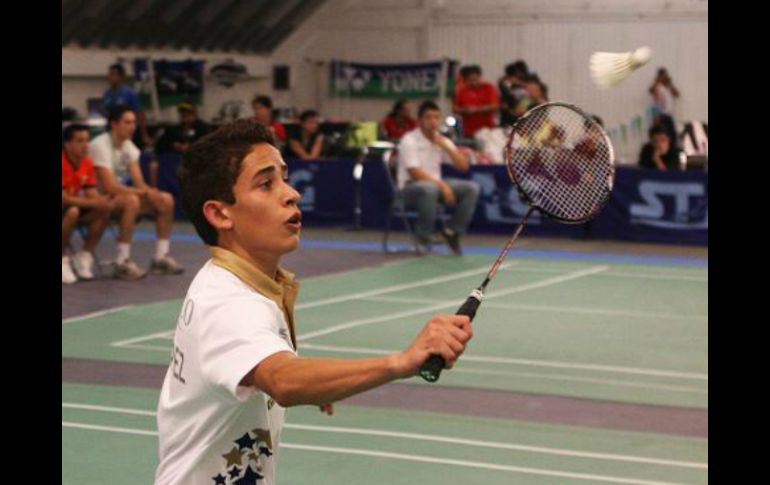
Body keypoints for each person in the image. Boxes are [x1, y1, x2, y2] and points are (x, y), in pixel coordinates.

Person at [154, 120, 473, 484]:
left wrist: (317, 380)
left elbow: (273, 367)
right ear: (220, 213)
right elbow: (283, 380)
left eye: (284, 178)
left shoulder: (238, 281)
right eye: (265, 183)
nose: (291, 194)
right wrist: (402, 362)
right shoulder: (229, 302)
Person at [90, 105, 184, 278]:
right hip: (98, 198)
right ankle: (122, 261)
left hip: (119, 195)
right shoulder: (99, 144)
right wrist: (143, 193)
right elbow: (109, 186)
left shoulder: (129, 147)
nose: (132, 126)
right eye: (127, 122)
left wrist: (151, 192)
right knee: (131, 200)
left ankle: (161, 257)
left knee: (166, 199)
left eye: (133, 122)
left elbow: (139, 182)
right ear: (114, 124)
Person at [397, 101, 481, 255]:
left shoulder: (441, 140)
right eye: (428, 118)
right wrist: (442, 186)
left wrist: (447, 147)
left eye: (436, 117)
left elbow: (464, 166)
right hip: (409, 189)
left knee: (471, 188)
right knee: (429, 189)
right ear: (420, 120)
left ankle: (451, 232)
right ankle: (422, 237)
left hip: (435, 186)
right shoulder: (409, 140)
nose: (433, 122)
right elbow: (415, 173)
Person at [61, 124, 114, 284]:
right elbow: (65, 199)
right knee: (73, 212)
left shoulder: (87, 163)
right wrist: (94, 202)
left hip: (75, 206)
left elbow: (91, 192)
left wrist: (101, 202)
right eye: (80, 140)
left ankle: (84, 256)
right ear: (67, 144)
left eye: (87, 140)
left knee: (103, 211)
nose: (85, 145)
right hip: (67, 207)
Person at [150, 102, 212, 187]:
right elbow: (160, 145)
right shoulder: (174, 130)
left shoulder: (203, 128)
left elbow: (208, 146)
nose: (185, 115)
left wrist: (190, 147)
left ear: (194, 112)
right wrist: (174, 145)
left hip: (194, 162)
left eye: (188, 112)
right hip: (173, 163)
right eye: (183, 112)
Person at [102, 63, 152, 148]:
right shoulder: (107, 93)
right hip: (111, 131)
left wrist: (144, 134)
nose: (109, 77)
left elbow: (140, 113)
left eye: (113, 74)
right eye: (109, 74)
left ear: (120, 77)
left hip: (126, 131)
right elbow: (106, 111)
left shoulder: (129, 93)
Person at [453, 65, 500, 138]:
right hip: (468, 130)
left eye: (475, 79)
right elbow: (455, 108)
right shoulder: (462, 91)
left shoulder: (489, 88)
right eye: (469, 80)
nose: (473, 82)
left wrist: (476, 110)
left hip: (487, 129)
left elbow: (495, 106)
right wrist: (465, 110)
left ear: (480, 77)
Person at [649, 68, 680, 150]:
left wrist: (670, 84)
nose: (665, 77)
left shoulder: (667, 88)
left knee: (672, 137)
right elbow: (654, 96)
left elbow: (677, 94)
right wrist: (656, 117)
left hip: (668, 115)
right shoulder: (658, 87)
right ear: (660, 76)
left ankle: (671, 153)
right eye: (663, 76)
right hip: (661, 116)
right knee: (662, 136)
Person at [498, 60, 530, 127]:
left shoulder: (525, 87)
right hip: (508, 118)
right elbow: (504, 104)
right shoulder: (504, 85)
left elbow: (527, 100)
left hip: (521, 117)